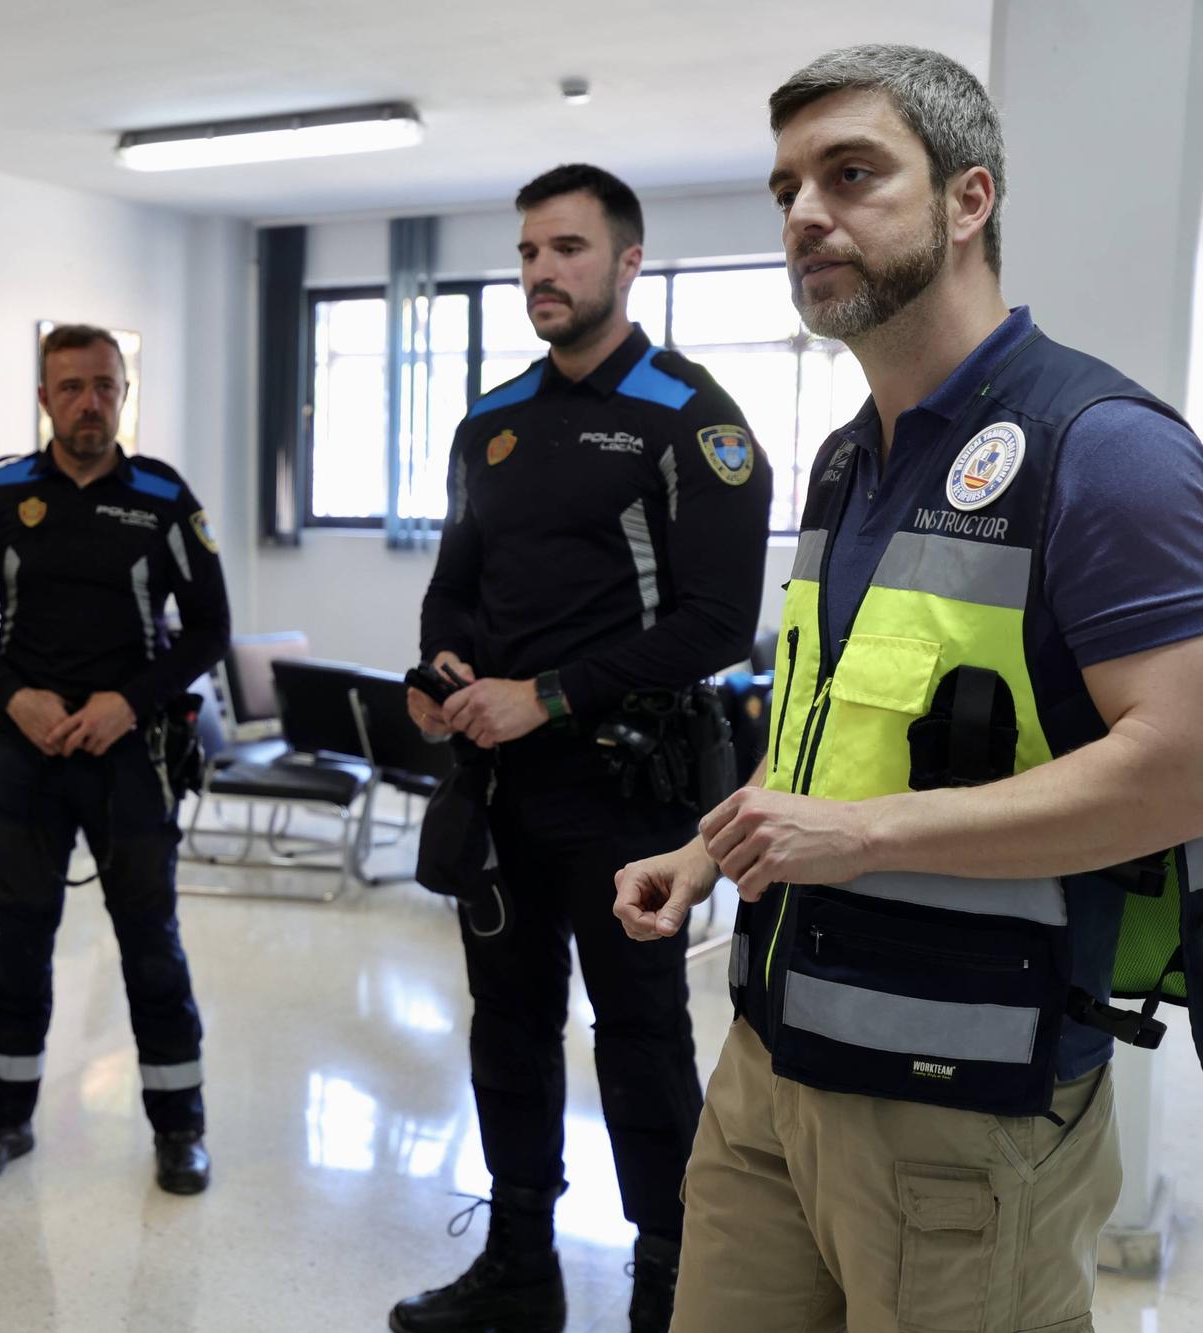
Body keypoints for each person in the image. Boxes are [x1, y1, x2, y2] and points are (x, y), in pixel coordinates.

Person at [614, 45, 1203, 1333]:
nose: (803, 214)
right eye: (783, 189)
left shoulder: (1101, 451)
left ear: (967, 199)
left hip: (966, 1110)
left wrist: (859, 836)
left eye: (851, 172)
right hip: (771, 1063)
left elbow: (1178, 768)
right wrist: (709, 849)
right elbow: (828, 745)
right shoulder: (841, 463)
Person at [394, 165, 772, 1333]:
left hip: (623, 787)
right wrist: (438, 674)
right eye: (525, 253)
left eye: (565, 249)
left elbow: (715, 621)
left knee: (639, 1034)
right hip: (498, 789)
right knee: (503, 1024)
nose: (540, 272)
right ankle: (518, 1265)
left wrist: (544, 696)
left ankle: (667, 1282)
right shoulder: (491, 423)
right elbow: (454, 590)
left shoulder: (687, 417)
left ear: (626, 263)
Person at [0, 323, 230, 1194]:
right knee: (19, 940)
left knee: (151, 943)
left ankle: (180, 1129)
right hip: (23, 753)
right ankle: (2, 1120)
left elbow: (210, 628)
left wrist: (126, 703)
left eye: (104, 385)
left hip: (129, 752)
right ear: (43, 399)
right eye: (71, 387)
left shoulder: (164, 498)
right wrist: (10, 695)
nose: (88, 402)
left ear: (123, 394)